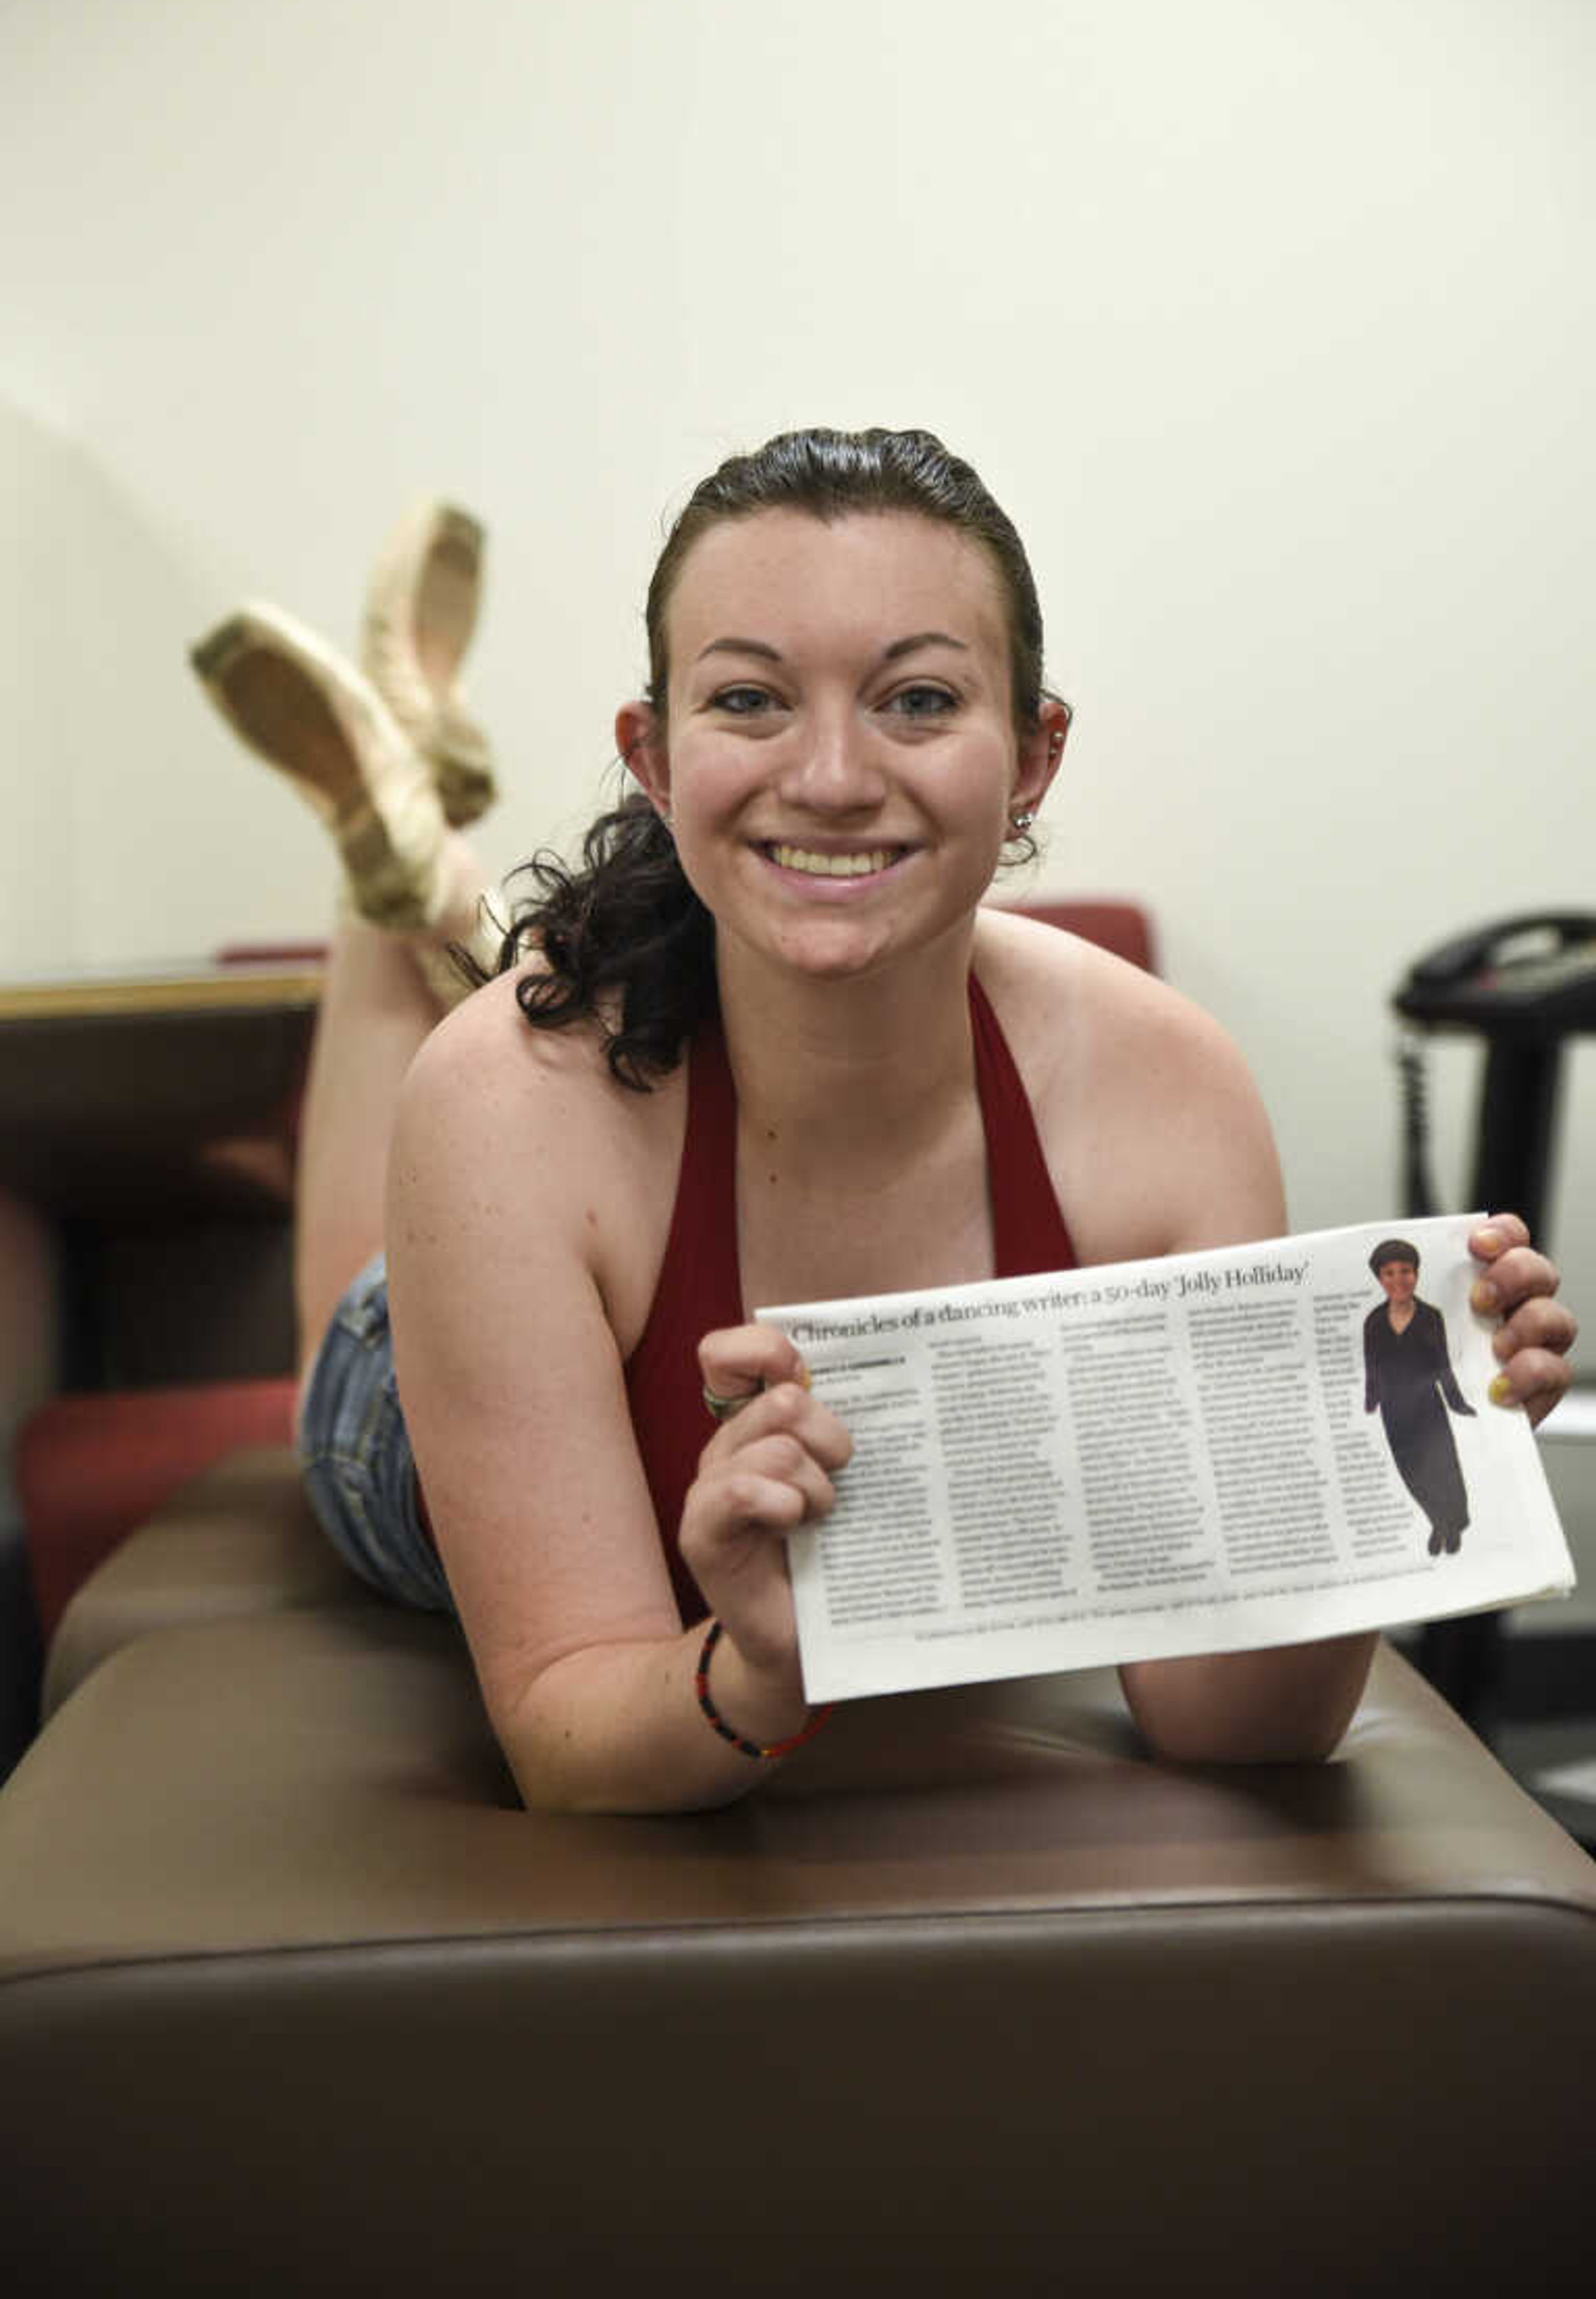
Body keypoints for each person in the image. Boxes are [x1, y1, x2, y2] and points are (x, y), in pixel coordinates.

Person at [191, 428, 1579, 1813]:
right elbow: (566, 1729)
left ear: (1034, 758)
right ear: (655, 760)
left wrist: (1380, 1494)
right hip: (431, 1360)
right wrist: (757, 1677)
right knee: (347, 1328)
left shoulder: (1170, 1090)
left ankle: (429, 856)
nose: (838, 777)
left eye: (917, 700)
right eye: (749, 701)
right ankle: (394, 888)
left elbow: (1227, 1722)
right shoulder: (506, 1099)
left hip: (567, 1186)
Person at [1363, 1237, 1477, 1556]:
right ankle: (1438, 1522)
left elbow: (1442, 1364)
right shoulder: (1373, 1321)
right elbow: (1370, 1365)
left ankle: (1454, 1526)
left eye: (1406, 1271)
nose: (1398, 1280)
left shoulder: (1431, 1317)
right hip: (1394, 1410)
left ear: (1416, 1273)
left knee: (1443, 1468)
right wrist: (1371, 1400)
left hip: (1428, 1405)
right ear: (1379, 1278)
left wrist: (1456, 1402)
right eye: (1389, 1273)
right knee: (1411, 1472)